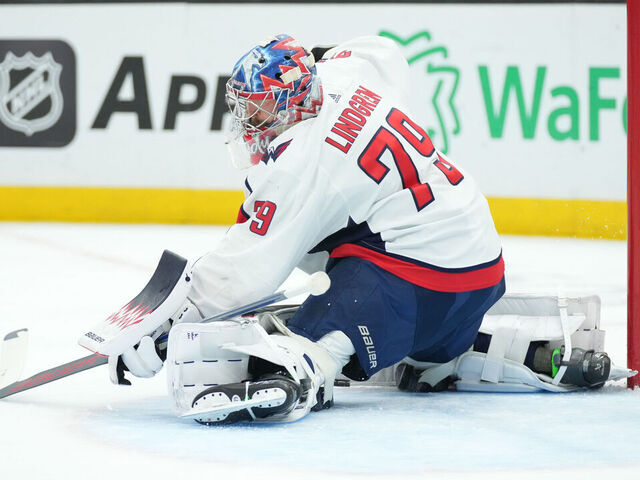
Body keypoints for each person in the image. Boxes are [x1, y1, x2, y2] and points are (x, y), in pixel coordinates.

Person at [112, 34, 508, 424]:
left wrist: (171, 324)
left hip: (425, 277)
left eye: (262, 110)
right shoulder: (348, 74)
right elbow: (383, 51)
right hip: (479, 258)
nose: (250, 122)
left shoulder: (297, 164)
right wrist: (321, 57)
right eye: (246, 108)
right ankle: (441, 351)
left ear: (295, 101)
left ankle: (313, 363)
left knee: (301, 344)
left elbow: (243, 272)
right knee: (309, 239)